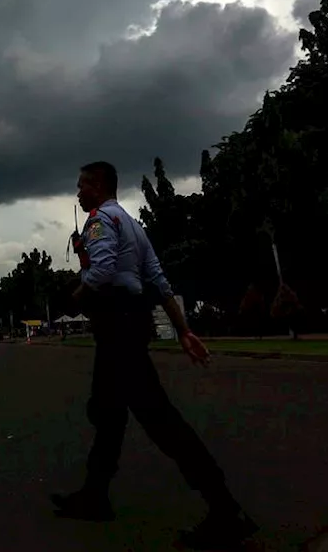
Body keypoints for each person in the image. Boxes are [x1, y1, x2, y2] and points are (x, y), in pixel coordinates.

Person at [52, 161, 257, 550]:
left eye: (81, 186)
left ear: (98, 186)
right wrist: (184, 330)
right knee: (108, 415)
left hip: (117, 326)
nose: (78, 193)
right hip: (132, 323)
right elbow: (159, 282)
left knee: (159, 420)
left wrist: (74, 297)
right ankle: (95, 496)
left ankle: (226, 510)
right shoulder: (133, 226)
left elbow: (103, 272)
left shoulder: (99, 222)